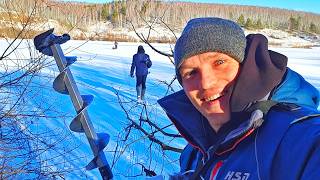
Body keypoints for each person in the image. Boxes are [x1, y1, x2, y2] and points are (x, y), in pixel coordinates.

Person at [157, 17, 320, 179]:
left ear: (247, 65)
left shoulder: (302, 139)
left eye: (219, 62)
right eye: (191, 72)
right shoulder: (194, 151)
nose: (205, 83)